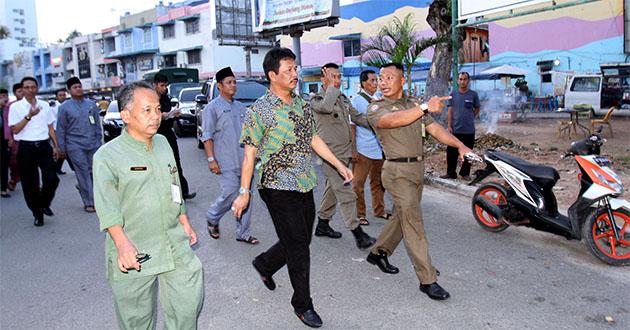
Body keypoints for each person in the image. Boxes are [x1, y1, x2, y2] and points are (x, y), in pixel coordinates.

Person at [231, 47, 353, 328]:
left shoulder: (301, 104)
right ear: (272, 75)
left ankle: (265, 263)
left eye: (295, 69)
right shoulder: (259, 111)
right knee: (299, 246)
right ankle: (302, 304)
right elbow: (249, 154)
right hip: (275, 185)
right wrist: (244, 192)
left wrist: (338, 164)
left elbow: (314, 139)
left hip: (304, 181)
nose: (294, 74)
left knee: (300, 240)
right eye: (288, 70)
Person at [93, 81, 203, 330]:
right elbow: (107, 207)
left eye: (157, 109)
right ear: (126, 115)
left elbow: (173, 182)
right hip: (135, 247)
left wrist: (184, 221)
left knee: (187, 302)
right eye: (147, 110)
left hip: (173, 242)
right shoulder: (107, 156)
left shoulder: (163, 143)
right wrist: (122, 245)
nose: (155, 116)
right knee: (136, 320)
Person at [365, 63, 473, 301]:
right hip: (396, 171)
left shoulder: (412, 104)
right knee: (414, 222)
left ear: (402, 81)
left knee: (402, 217)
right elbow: (391, 121)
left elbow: (435, 129)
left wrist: (460, 145)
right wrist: (425, 106)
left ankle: (378, 252)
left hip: (416, 169)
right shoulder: (375, 107)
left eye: (389, 77)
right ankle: (427, 279)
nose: (382, 82)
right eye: (380, 78)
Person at [309, 62, 375, 249]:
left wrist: (379, 123)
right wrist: (331, 88)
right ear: (323, 79)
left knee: (333, 189)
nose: (337, 80)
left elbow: (357, 117)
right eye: (332, 77)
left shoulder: (342, 97)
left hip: (343, 152)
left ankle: (322, 224)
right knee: (346, 193)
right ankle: (358, 234)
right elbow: (327, 108)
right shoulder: (316, 99)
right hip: (329, 155)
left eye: (338, 77)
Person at [201, 66, 259, 244]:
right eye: (229, 82)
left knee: (246, 194)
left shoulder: (242, 107)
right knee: (231, 192)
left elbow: (251, 134)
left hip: (244, 160)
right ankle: (212, 216)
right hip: (224, 161)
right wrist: (211, 159)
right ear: (219, 85)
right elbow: (207, 136)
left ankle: (243, 233)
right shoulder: (212, 108)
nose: (233, 85)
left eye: (234, 82)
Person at [8, 77, 61, 226]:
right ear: (22, 89)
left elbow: (51, 127)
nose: (30, 90)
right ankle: (37, 213)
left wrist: (56, 146)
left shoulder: (45, 105)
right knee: (30, 184)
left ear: (37, 88)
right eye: (26, 87)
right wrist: (29, 116)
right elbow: (15, 129)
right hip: (26, 147)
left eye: (33, 87)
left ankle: (44, 203)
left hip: (44, 146)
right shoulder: (16, 107)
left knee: (52, 179)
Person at [56, 77, 103, 213]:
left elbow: (96, 125)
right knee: (82, 172)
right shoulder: (64, 108)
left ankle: (95, 197)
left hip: (92, 143)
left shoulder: (91, 105)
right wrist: (61, 147)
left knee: (94, 172)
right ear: (69, 91)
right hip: (75, 145)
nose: (78, 89)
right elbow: (61, 128)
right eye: (75, 87)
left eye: (79, 86)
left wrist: (98, 140)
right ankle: (88, 202)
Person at [350, 69, 389, 225]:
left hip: (378, 149)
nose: (376, 83)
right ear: (363, 83)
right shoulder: (357, 100)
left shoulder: (378, 98)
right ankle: (360, 214)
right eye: (372, 80)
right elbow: (352, 125)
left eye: (376, 80)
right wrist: (353, 149)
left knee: (378, 182)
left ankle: (379, 210)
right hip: (362, 149)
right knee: (358, 184)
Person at [153, 73, 196, 200]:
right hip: (156, 135)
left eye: (166, 85)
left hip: (168, 133)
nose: (164, 88)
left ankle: (182, 192)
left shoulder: (166, 98)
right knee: (160, 166)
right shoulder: (150, 99)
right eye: (162, 85)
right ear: (155, 85)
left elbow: (168, 115)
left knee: (175, 163)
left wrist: (173, 114)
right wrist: (162, 115)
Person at [442, 72, 480, 180]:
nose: (463, 81)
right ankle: (451, 173)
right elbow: (450, 111)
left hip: (469, 130)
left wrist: (471, 116)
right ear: (458, 81)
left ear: (468, 81)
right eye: (461, 79)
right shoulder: (453, 95)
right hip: (455, 130)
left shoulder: (473, 94)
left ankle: (465, 173)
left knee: (468, 153)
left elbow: (477, 108)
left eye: (465, 79)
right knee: (451, 153)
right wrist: (449, 126)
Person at [5, 83, 24, 190]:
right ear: (15, 93)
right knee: (14, 161)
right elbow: (7, 123)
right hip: (15, 137)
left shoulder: (30, 104)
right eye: (19, 91)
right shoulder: (10, 106)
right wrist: (9, 138)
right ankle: (13, 180)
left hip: (29, 137)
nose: (22, 93)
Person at [50, 88, 70, 175]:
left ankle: (57, 168)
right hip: (57, 131)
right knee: (61, 150)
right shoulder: (53, 107)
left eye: (64, 95)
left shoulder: (68, 105)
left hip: (67, 131)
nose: (62, 97)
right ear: (56, 97)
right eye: (60, 95)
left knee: (64, 151)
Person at [0, 88, 10, 197]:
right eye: (1, 96)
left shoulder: (9, 109)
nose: (4, 99)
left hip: (5, 142)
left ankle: (3, 188)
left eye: (5, 96)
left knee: (4, 165)